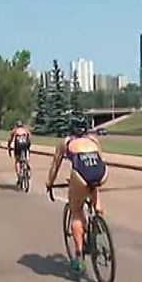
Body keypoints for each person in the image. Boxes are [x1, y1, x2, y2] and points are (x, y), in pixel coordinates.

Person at [46, 117, 108, 272]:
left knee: (76, 211)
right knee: (94, 187)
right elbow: (99, 159)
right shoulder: (94, 140)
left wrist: (50, 183)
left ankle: (79, 255)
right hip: (101, 172)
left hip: (81, 175)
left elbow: (55, 165)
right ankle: (98, 214)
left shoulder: (65, 143)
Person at [7, 120, 32, 184]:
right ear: (22, 125)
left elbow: (10, 140)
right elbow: (29, 137)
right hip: (25, 144)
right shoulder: (25, 130)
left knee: (17, 161)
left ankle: (19, 175)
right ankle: (27, 165)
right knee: (26, 156)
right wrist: (29, 146)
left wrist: (9, 148)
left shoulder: (14, 130)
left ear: (16, 125)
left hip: (18, 145)